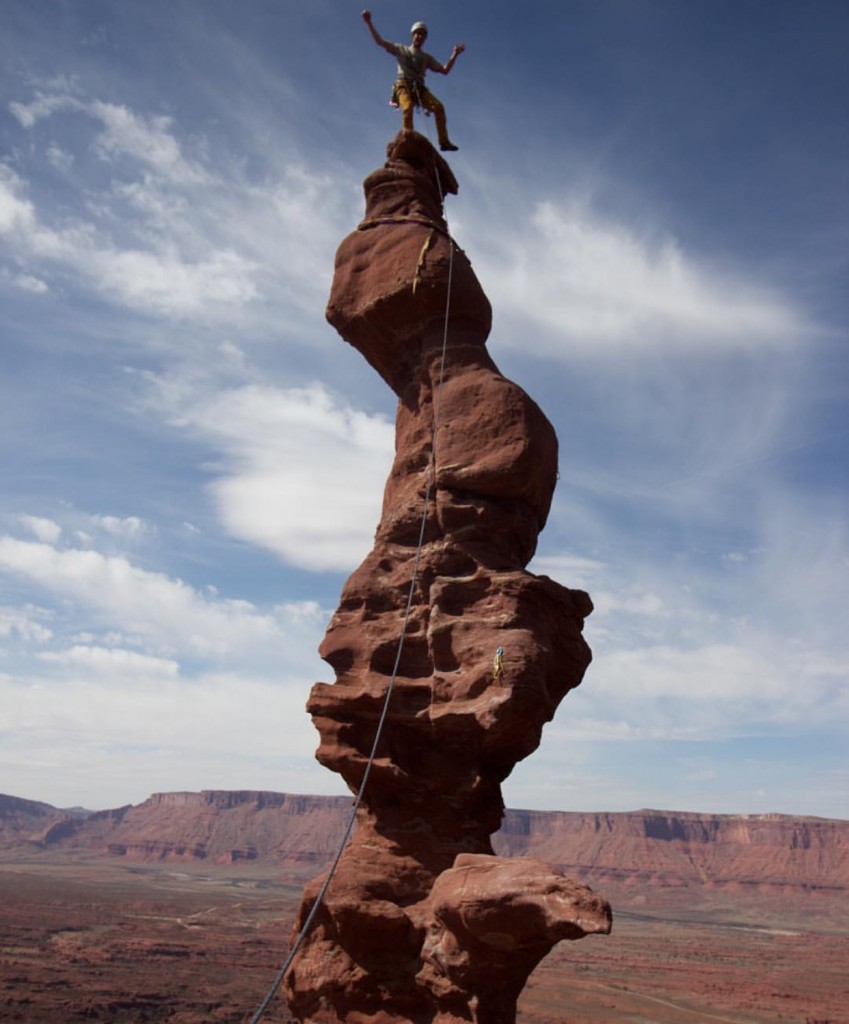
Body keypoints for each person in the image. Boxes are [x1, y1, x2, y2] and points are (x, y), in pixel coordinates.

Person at [361, 10, 465, 152]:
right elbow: (380, 41)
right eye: (417, 33)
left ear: (425, 38)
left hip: (419, 89)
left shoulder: (426, 57)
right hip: (403, 85)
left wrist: (455, 54)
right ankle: (408, 139)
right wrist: (369, 23)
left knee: (438, 107)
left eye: (422, 34)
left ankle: (444, 142)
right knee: (408, 107)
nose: (419, 36)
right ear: (412, 35)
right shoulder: (401, 49)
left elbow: (445, 70)